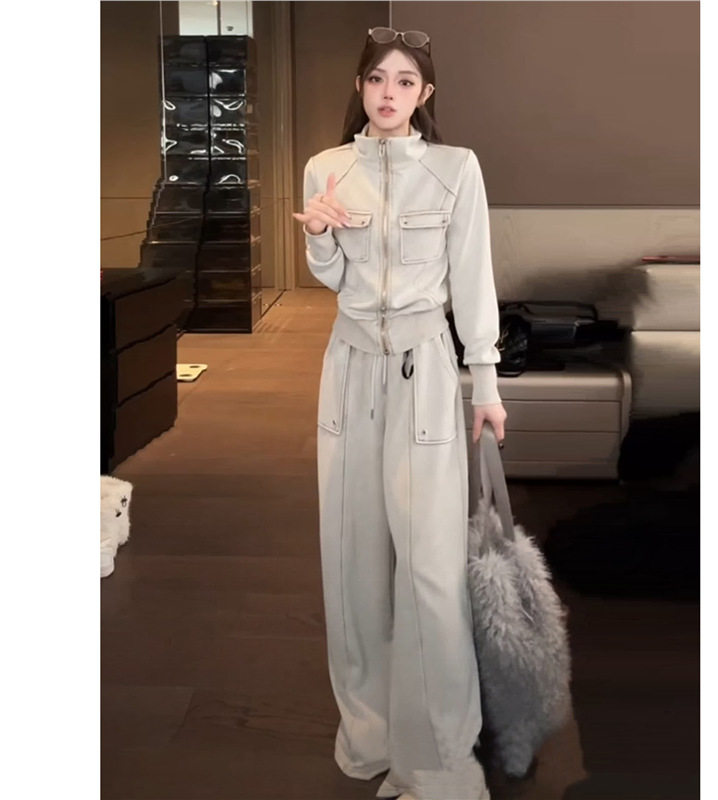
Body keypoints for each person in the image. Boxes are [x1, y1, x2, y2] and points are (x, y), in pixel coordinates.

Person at [292, 26, 506, 800]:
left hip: (425, 372)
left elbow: (473, 276)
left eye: (405, 81)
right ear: (360, 87)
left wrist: (485, 382)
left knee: (429, 568)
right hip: (349, 371)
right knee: (352, 559)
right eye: (377, 79)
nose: (389, 93)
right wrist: (321, 237)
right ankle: (371, 736)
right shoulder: (327, 167)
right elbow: (330, 277)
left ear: (425, 94)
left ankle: (441, 756)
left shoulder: (455, 169)